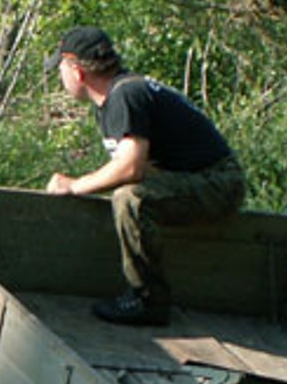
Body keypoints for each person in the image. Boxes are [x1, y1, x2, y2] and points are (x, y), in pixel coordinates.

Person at [44, 26, 246, 326]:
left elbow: (130, 168)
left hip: (218, 183)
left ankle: (147, 299)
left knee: (131, 198)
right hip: (201, 180)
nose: (59, 77)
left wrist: (74, 186)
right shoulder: (119, 96)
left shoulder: (125, 95)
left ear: (78, 72)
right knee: (129, 192)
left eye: (60, 68)